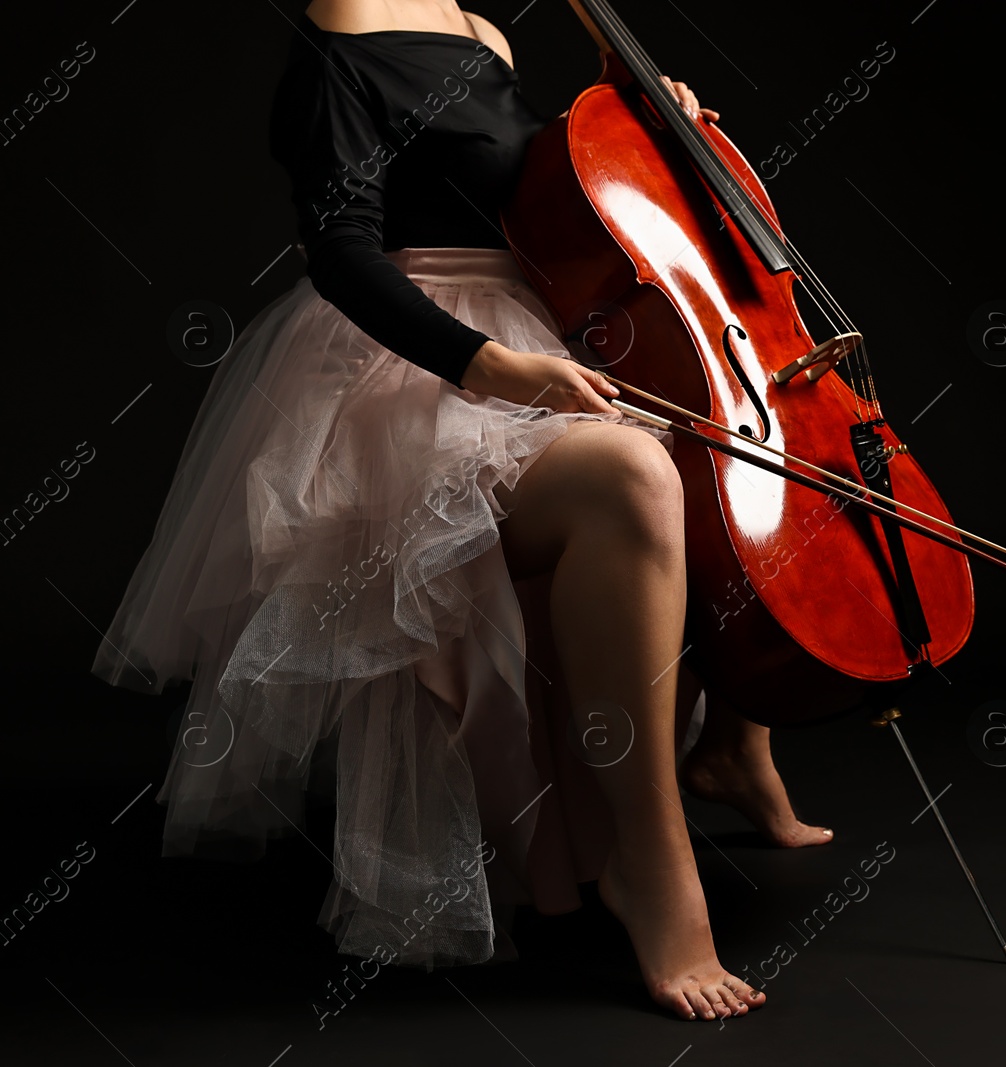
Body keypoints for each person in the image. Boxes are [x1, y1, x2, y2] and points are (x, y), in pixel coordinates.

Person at [90, 0, 827, 1022]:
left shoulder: (482, 28)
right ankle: (652, 866)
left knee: (715, 456)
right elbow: (339, 250)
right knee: (634, 478)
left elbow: (533, 203)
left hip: (534, 326)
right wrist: (492, 369)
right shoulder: (340, 27)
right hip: (409, 363)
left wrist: (649, 126)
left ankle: (736, 748)